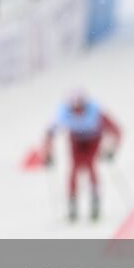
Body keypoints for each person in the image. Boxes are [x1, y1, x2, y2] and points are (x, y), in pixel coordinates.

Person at [43, 90, 122, 222]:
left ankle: (94, 203)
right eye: (74, 109)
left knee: (90, 166)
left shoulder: (96, 114)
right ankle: (72, 206)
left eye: (80, 108)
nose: (77, 112)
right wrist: (48, 153)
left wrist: (111, 150)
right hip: (76, 141)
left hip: (93, 140)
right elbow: (50, 133)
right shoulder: (64, 114)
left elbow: (117, 131)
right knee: (74, 170)